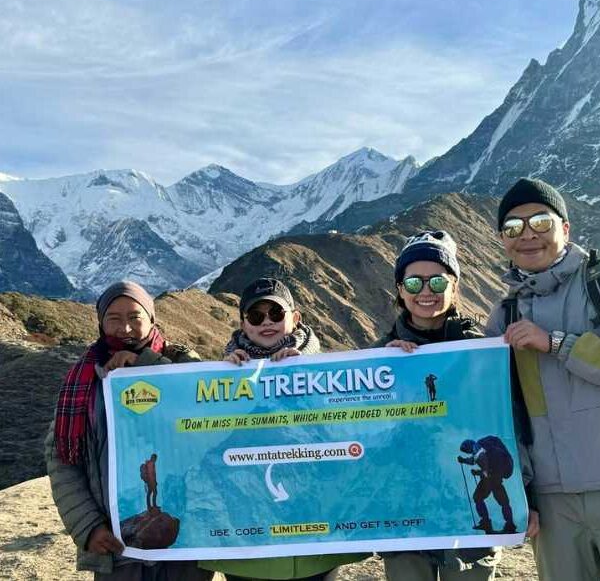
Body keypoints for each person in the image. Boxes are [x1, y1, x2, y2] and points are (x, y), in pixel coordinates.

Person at [45, 281, 212, 581]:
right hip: (117, 548)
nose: (125, 328)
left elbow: (207, 416)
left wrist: (144, 364)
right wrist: (87, 526)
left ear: (152, 319)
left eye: (135, 317)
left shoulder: (183, 362)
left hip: (185, 543)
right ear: (100, 323)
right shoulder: (82, 382)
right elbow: (62, 461)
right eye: (114, 318)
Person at [200, 277, 364, 581]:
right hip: (247, 544)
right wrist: (227, 382)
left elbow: (350, 432)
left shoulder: (328, 373)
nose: (266, 322)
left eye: (276, 314)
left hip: (317, 540)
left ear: (295, 318)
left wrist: (306, 377)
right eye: (256, 316)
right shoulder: (222, 378)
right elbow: (205, 439)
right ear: (243, 324)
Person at [486, 177, 600, 581]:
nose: (527, 235)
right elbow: (502, 414)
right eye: (513, 227)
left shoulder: (595, 285)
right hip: (552, 504)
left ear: (565, 228)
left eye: (540, 222)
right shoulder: (503, 315)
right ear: (502, 239)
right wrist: (523, 493)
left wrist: (556, 343)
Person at [373, 230, 501, 581]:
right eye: (414, 282)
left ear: (454, 285)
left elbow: (505, 419)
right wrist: (385, 378)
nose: (426, 291)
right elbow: (368, 434)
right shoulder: (378, 355)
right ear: (400, 290)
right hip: (406, 515)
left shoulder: (481, 350)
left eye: (438, 281)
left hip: (469, 512)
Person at [457, 437, 516, 534]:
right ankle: (509, 524)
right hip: (494, 476)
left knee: (480, 497)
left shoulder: (483, 451)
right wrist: (464, 461)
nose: (470, 453)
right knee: (502, 501)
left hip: (493, 477)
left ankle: (490, 523)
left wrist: (478, 472)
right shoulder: (483, 449)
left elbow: (486, 469)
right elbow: (476, 460)